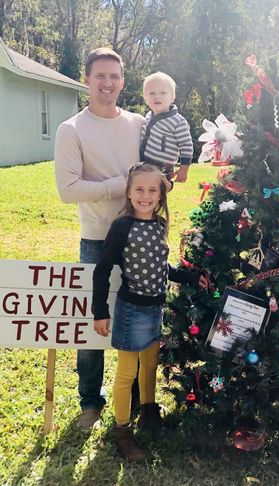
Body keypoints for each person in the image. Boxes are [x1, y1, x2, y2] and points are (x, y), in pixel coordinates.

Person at [54, 47, 145, 430]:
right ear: (87, 80)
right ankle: (91, 402)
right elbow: (68, 189)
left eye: (114, 77)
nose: (107, 83)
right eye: (100, 76)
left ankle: (140, 398)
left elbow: (158, 169)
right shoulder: (71, 129)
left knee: (140, 319)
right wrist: (121, 186)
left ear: (123, 82)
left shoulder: (140, 123)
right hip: (97, 239)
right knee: (93, 324)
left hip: (140, 239)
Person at [93, 163, 207, 461]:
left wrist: (190, 277)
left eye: (152, 190)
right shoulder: (122, 226)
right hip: (131, 311)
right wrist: (99, 311)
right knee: (127, 372)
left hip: (156, 307)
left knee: (151, 365)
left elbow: (161, 266)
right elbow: (102, 270)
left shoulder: (158, 224)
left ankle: (148, 411)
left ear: (160, 195)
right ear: (129, 193)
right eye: (139, 189)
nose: (145, 195)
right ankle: (122, 429)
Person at [140, 71, 193, 182]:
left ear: (172, 97)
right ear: (145, 98)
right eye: (152, 93)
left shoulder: (178, 121)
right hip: (142, 163)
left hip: (162, 167)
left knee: (158, 194)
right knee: (141, 194)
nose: (157, 97)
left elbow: (186, 146)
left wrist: (183, 170)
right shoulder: (148, 116)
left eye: (163, 93)